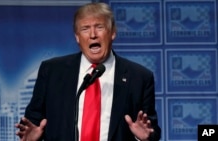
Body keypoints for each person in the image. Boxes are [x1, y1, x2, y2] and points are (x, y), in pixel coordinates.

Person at [15, 2, 161, 141]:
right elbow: (34, 124)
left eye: (99, 27)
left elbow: (150, 130)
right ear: (77, 37)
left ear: (112, 33)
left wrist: (143, 138)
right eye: (85, 29)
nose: (92, 35)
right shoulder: (52, 72)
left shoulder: (139, 77)